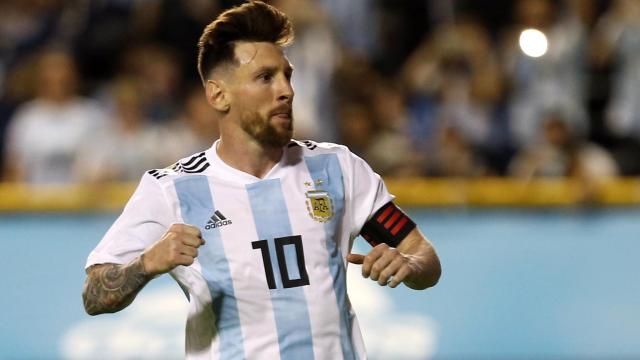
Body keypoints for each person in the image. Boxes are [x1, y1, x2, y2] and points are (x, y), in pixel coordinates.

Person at [82, 2, 441, 359]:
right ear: (218, 95)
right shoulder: (170, 189)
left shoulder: (338, 168)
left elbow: (424, 257)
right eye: (265, 78)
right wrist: (145, 264)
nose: (286, 90)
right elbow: (95, 294)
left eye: (287, 75)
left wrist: (408, 265)